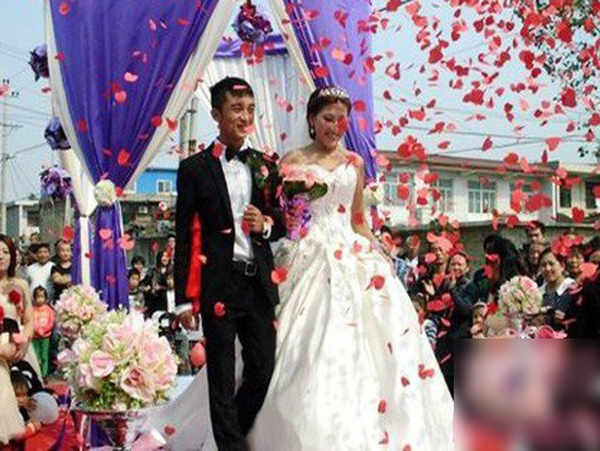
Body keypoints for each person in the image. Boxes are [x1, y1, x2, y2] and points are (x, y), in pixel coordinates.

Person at [248, 86, 453, 449]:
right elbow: (281, 215)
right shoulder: (292, 160)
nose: (335, 126)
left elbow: (357, 220)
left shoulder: (354, 162)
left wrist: (378, 249)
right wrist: (290, 219)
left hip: (351, 251)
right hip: (307, 250)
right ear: (312, 120)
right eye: (328, 118)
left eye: (341, 120)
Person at [175, 77, 286, 451]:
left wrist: (265, 224)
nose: (245, 117)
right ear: (216, 114)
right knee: (221, 378)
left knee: (262, 370)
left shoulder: (266, 165)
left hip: (258, 284)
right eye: (237, 109)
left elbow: (283, 223)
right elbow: (185, 235)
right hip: (218, 283)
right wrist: (183, 299)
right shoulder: (194, 168)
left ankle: (227, 439)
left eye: (250, 109)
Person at [0, 234, 38, 445]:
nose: (0, 256)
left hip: (16, 348)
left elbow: (29, 319)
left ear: (13, 256)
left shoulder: (21, 284)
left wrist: (24, 344)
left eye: (5, 252)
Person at [538, 248, 576, 331]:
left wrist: (567, 319)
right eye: (543, 265)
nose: (547, 268)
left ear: (562, 266)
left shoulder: (574, 290)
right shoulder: (537, 292)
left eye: (551, 264)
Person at [31, 286, 55, 378]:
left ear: (45, 298)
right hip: (35, 337)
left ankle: (44, 375)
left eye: (42, 297)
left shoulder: (49, 310)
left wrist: (44, 330)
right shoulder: (32, 310)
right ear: (34, 298)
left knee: (44, 356)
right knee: (36, 356)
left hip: (45, 337)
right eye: (38, 297)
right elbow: (30, 322)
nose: (40, 299)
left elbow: (51, 322)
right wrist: (37, 330)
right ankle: (37, 374)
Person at [50, 239, 72, 304]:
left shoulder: (76, 266)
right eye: (62, 251)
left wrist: (65, 278)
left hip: (73, 300)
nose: (65, 253)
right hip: (59, 301)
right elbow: (57, 280)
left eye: (68, 250)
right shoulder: (55, 267)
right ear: (58, 252)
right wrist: (72, 278)